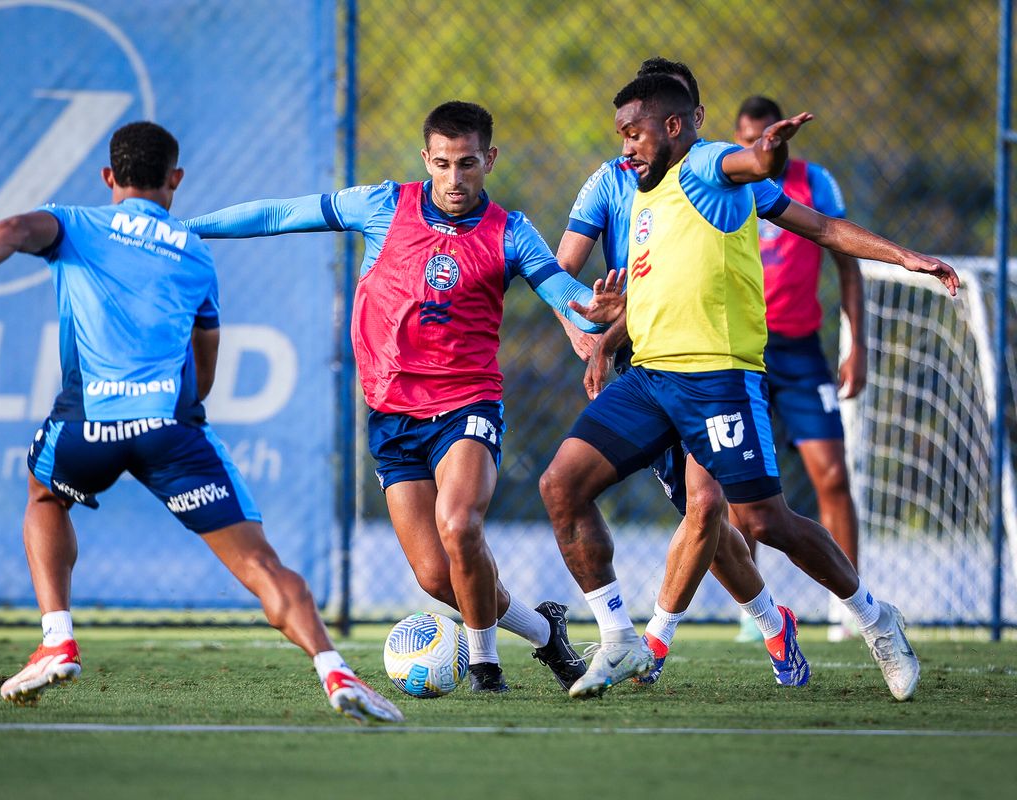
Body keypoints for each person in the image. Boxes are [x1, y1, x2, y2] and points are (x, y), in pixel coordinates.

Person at [0, 121, 403, 723]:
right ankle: (333, 669)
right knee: (259, 563)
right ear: (176, 180)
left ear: (109, 178)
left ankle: (58, 636)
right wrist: (187, 414)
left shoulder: (75, 224)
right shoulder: (193, 252)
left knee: (44, 496)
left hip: (88, 423)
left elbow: (11, 230)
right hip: (170, 428)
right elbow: (207, 352)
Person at [540, 73, 958, 701]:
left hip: (718, 381)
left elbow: (815, 222)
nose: (624, 146)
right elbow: (652, 291)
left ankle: (876, 619)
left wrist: (902, 255)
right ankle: (621, 636)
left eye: (634, 132)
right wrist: (602, 328)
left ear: (675, 126)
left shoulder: (710, 168)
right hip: (651, 377)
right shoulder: (640, 192)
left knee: (764, 522)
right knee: (561, 486)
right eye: (620, 134)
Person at [185, 101, 622, 693]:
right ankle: (547, 635)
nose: (455, 178)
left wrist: (591, 312)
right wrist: (186, 230)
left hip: (467, 404)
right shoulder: (383, 205)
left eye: (467, 164)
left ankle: (485, 665)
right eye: (442, 164)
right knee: (438, 577)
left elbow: (562, 291)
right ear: (426, 160)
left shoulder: (511, 232)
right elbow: (281, 215)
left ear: (489, 160)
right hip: (391, 414)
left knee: (458, 521)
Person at [732, 95, 864, 643]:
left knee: (832, 475)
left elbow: (846, 263)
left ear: (783, 137)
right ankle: (753, 607)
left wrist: (856, 344)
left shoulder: (817, 184)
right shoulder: (725, 182)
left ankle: (853, 607)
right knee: (741, 486)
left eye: (769, 137)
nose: (760, 146)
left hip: (801, 351)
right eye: (748, 139)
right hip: (742, 350)